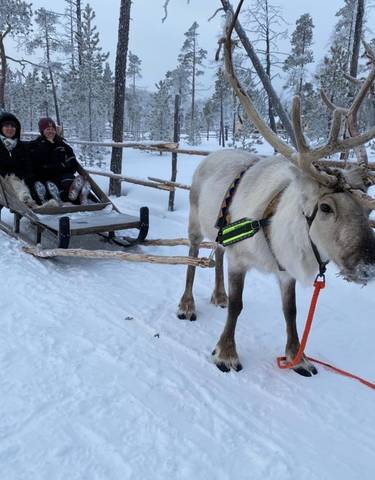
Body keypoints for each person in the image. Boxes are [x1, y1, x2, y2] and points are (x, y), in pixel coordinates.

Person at [29, 117, 90, 205]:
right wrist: (57, 166)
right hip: (46, 177)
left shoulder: (62, 145)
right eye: (47, 129)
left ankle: (80, 194)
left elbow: (73, 162)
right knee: (51, 186)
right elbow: (37, 164)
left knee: (68, 180)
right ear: (42, 131)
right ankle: (75, 197)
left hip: (62, 174)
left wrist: (62, 166)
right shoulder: (36, 145)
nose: (51, 131)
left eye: (53, 129)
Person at [0, 112, 36, 207]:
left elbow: (28, 165)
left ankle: (28, 204)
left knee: (23, 186)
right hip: (1, 182)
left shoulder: (21, 146)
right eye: (6, 126)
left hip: (18, 180)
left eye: (13, 126)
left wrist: (22, 174)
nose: (10, 129)